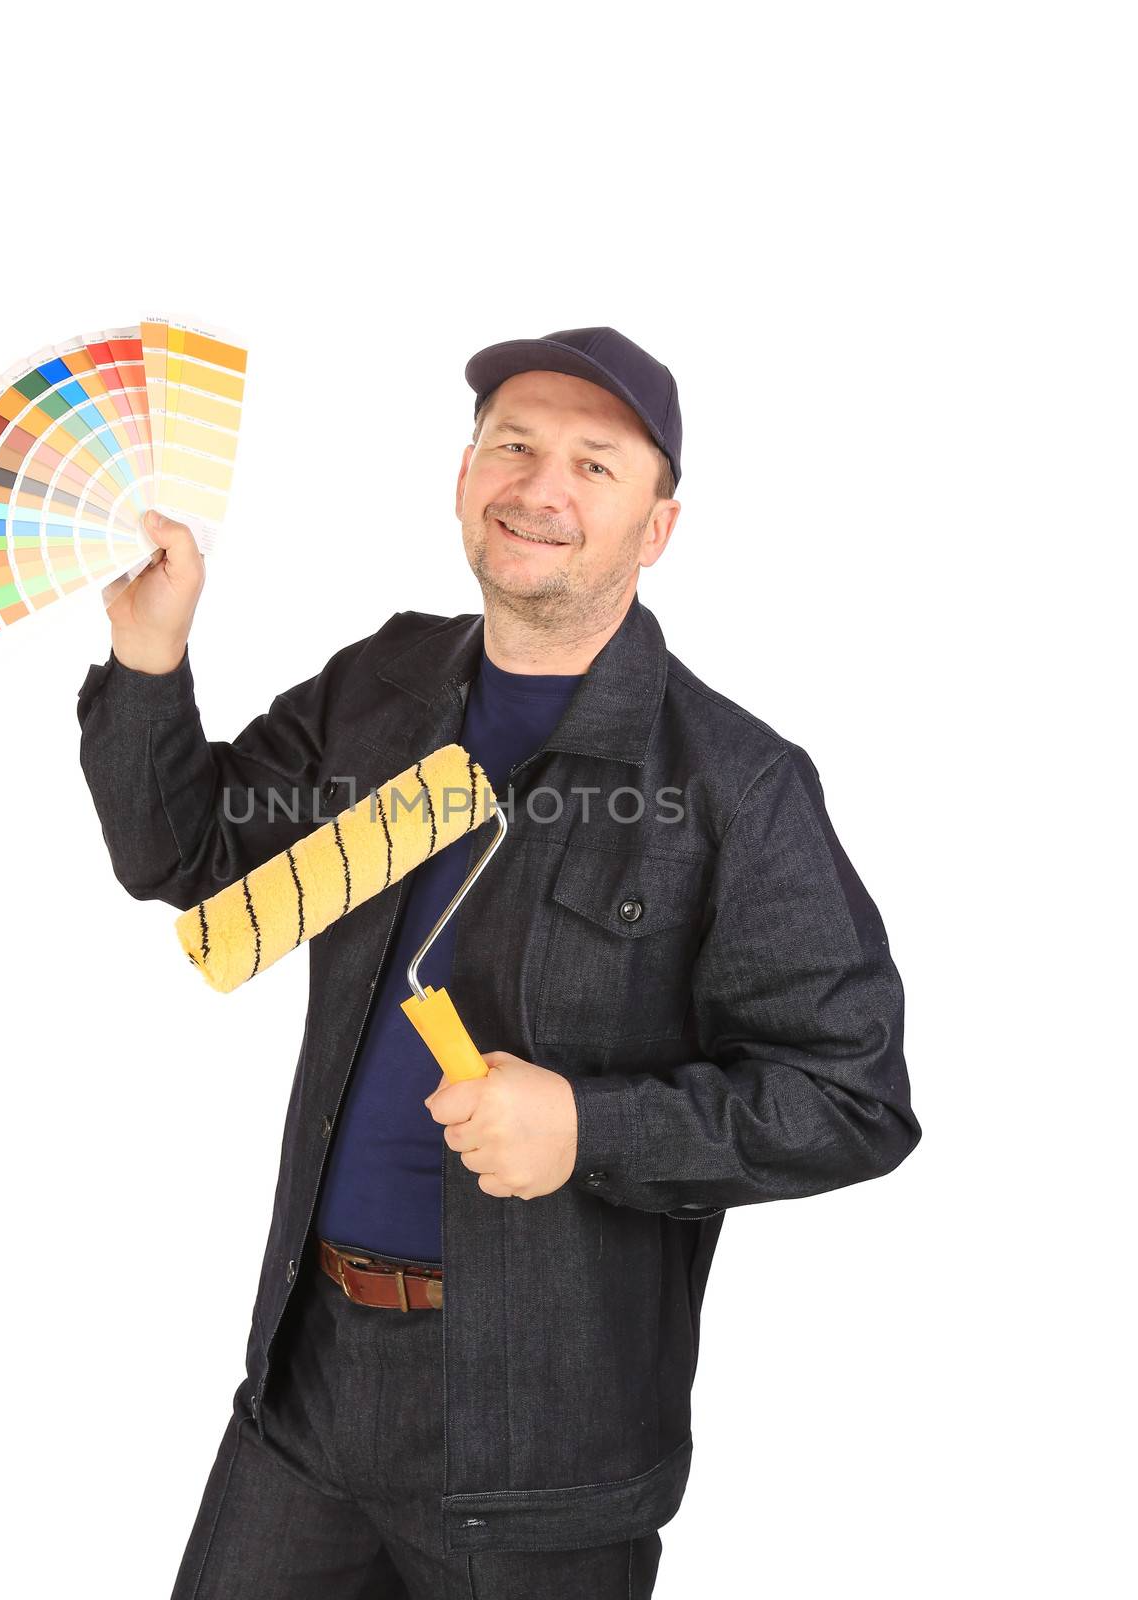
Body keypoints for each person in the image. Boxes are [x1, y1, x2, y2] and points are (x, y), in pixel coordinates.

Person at [76, 327, 922, 1599]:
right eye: (513, 446)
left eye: (595, 464)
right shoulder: (384, 685)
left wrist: (589, 1124)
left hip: (545, 1449)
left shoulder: (734, 784)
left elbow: (853, 1097)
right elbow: (187, 852)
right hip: (303, 1393)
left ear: (658, 526)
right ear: (463, 476)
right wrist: (150, 658)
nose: (540, 487)